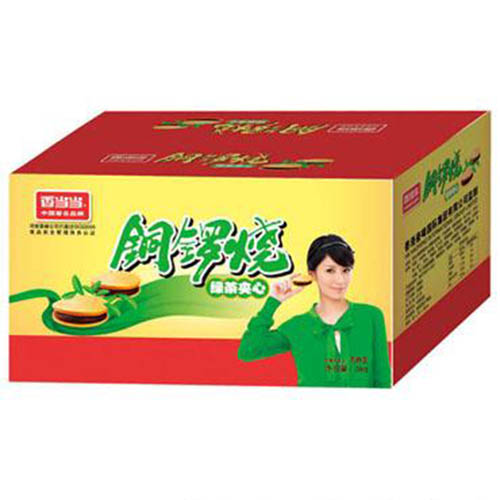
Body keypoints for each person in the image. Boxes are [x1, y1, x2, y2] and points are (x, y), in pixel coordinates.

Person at [238, 234, 391, 388]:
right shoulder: (297, 327)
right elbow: (247, 351)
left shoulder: (371, 316)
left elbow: (383, 378)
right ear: (312, 274)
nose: (340, 280)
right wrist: (273, 301)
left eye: (346, 270)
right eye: (330, 270)